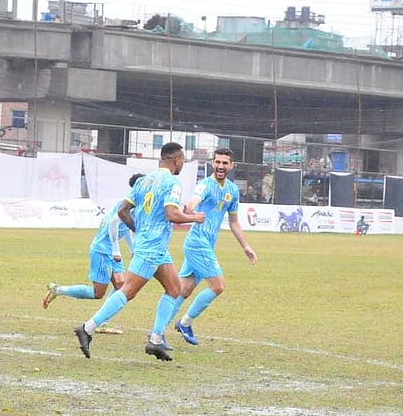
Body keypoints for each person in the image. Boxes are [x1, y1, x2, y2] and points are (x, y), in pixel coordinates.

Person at [74, 142, 204, 362]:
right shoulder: (173, 182)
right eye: (182, 160)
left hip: (155, 247)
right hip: (151, 248)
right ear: (176, 160)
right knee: (128, 291)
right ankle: (87, 328)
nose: (182, 164)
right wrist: (195, 218)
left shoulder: (144, 181)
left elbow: (123, 210)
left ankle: (155, 340)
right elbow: (172, 214)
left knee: (174, 289)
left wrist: (140, 231)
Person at [169, 147, 257, 346]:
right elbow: (194, 201)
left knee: (183, 289)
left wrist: (245, 246)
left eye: (225, 163)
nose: (220, 166)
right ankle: (185, 323)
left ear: (231, 165)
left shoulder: (232, 191)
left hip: (206, 243)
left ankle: (157, 331)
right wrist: (186, 209)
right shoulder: (205, 185)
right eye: (217, 162)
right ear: (212, 163)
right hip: (197, 242)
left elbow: (234, 222)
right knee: (218, 286)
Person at [42, 173, 144, 334]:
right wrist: (116, 250)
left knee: (121, 286)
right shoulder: (127, 203)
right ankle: (58, 290)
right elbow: (112, 224)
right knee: (98, 293)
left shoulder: (134, 203)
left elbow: (124, 229)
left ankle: (102, 322)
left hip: (110, 250)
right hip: (102, 250)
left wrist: (132, 250)